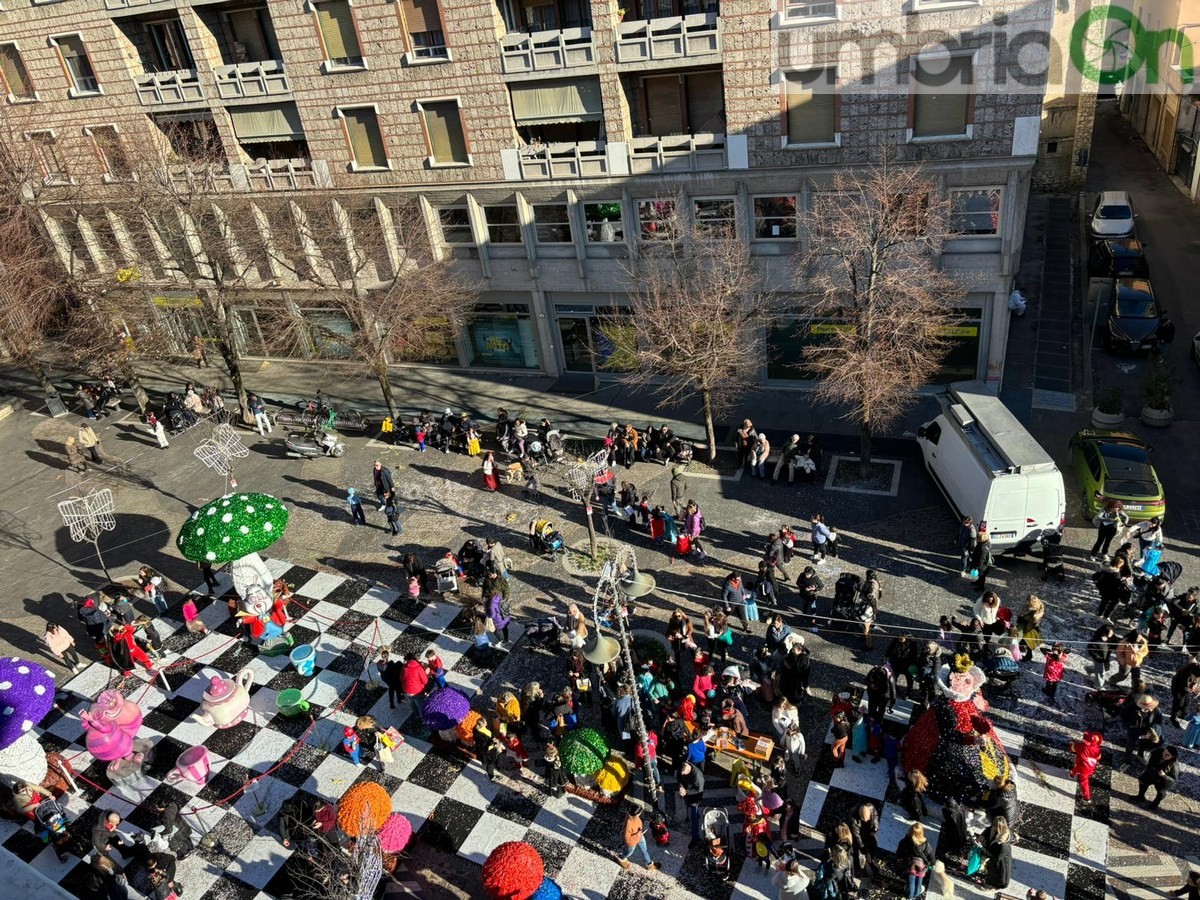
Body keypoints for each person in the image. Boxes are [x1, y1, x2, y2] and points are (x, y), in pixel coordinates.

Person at [896, 822, 935, 899]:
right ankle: (917, 893)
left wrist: (900, 860)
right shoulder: (926, 844)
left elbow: (900, 852)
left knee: (911, 881)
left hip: (911, 866)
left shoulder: (905, 841)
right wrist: (932, 864)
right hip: (922, 867)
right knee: (919, 881)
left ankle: (910, 896)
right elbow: (931, 856)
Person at [618, 802, 660, 871]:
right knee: (628, 853)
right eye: (640, 812)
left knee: (645, 850)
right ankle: (621, 859)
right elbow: (627, 838)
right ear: (637, 814)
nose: (641, 813)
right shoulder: (628, 825)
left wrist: (640, 833)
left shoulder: (634, 817)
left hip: (640, 836)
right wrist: (638, 834)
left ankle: (649, 863)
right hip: (632, 842)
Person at [1137, 744, 1179, 808]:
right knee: (1142, 781)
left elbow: (1173, 780)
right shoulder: (1157, 753)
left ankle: (1155, 804)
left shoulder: (1175, 766)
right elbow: (1150, 764)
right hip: (1152, 774)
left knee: (1161, 793)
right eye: (1164, 752)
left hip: (1162, 780)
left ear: (1172, 757)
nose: (1164, 755)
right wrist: (1151, 770)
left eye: (1168, 755)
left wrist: (1164, 776)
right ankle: (1140, 796)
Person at [1069, 731, 1103, 802]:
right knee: (1077, 768)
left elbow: (1073, 748)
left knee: (1084, 781)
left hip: (1082, 767)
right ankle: (1072, 774)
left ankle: (1086, 796)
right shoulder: (1097, 749)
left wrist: (1072, 744)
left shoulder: (1081, 747)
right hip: (1090, 766)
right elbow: (1098, 757)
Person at [678, 758, 706, 841]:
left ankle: (695, 837)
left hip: (695, 798)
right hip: (687, 795)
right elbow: (679, 779)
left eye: (683, 774)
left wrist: (686, 791)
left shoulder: (697, 776)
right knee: (688, 806)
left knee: (694, 817)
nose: (682, 775)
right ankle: (690, 816)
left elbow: (699, 790)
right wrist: (680, 787)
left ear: (688, 770)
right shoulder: (682, 768)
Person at [981, 816, 1013, 888]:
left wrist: (982, 849)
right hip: (996, 860)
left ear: (999, 828)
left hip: (1001, 863)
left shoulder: (1003, 844)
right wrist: (981, 837)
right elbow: (986, 832)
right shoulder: (995, 830)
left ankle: (993, 886)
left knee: (999, 875)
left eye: (994, 826)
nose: (993, 827)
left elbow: (996, 857)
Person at [401, 652, 429, 719]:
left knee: (411, 704)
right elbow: (425, 681)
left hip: (406, 690)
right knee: (420, 705)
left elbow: (401, 678)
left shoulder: (404, 667)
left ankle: (416, 715)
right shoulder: (419, 668)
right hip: (417, 691)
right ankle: (423, 718)